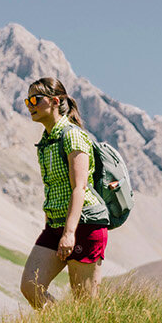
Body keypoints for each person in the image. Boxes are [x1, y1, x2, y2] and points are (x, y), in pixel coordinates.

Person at [18, 76, 110, 308]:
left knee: (84, 306)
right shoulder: (46, 141)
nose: (30, 105)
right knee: (30, 285)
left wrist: (69, 233)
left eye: (35, 100)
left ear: (55, 101)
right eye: (27, 101)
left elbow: (79, 187)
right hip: (55, 226)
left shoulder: (72, 135)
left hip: (85, 225)